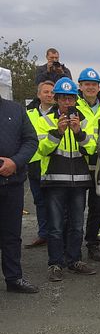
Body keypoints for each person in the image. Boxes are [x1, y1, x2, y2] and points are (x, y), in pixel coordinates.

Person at [36, 78, 98, 281]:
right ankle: (55, 264)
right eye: (63, 98)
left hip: (79, 182)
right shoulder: (46, 120)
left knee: (77, 225)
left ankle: (74, 260)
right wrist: (58, 132)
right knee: (55, 227)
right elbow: (42, 149)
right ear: (56, 99)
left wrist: (79, 132)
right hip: (54, 181)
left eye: (70, 98)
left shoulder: (83, 120)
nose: (67, 103)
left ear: (75, 98)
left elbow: (92, 148)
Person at [0, 93, 39, 293]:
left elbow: (31, 141)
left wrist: (15, 162)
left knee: (11, 235)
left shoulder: (16, 110)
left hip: (12, 184)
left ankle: (14, 278)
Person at [76, 67, 100, 262]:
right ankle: (71, 247)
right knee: (75, 208)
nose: (90, 87)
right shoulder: (74, 105)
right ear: (80, 86)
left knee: (97, 207)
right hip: (78, 163)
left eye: (93, 84)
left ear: (99, 87)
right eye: (86, 84)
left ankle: (92, 244)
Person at [25, 80, 56, 248]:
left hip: (54, 162)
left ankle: (56, 234)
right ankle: (43, 234)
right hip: (35, 162)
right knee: (39, 201)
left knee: (56, 201)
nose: (49, 95)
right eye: (46, 92)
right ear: (39, 95)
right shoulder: (29, 113)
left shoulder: (60, 113)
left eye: (52, 92)